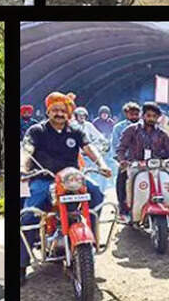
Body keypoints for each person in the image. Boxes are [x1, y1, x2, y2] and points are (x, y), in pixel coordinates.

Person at [20, 92, 112, 285]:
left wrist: (102, 164)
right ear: (48, 111)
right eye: (55, 110)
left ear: (68, 112)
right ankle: (21, 264)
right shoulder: (37, 131)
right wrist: (22, 167)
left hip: (73, 179)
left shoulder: (75, 131)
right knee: (29, 215)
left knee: (97, 194)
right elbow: (27, 150)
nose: (59, 113)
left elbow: (89, 148)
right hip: (45, 179)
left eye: (63, 110)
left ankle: (91, 238)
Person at [116, 102, 169, 227]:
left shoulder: (162, 134)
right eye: (148, 116)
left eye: (154, 116)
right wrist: (122, 161)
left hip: (157, 166)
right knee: (123, 179)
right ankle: (125, 210)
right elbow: (121, 148)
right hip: (135, 165)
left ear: (158, 118)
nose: (151, 119)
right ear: (143, 116)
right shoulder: (132, 130)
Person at [111, 102, 140, 218]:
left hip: (142, 161)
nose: (134, 116)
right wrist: (120, 160)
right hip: (126, 161)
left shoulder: (144, 126)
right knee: (121, 181)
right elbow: (115, 146)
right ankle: (122, 208)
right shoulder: (119, 128)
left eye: (136, 114)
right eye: (132, 114)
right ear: (126, 114)